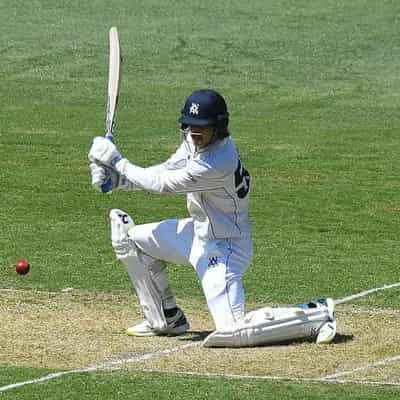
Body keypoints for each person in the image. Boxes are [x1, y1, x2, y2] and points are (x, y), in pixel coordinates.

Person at [88, 89, 337, 347]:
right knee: (130, 241)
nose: (195, 133)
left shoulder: (218, 161)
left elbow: (162, 184)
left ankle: (316, 314)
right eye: (190, 126)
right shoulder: (193, 142)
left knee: (232, 332)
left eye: (202, 127)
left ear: (218, 127)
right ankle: (165, 318)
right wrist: (118, 181)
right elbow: (165, 170)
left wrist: (117, 161)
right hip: (197, 235)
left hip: (226, 248)